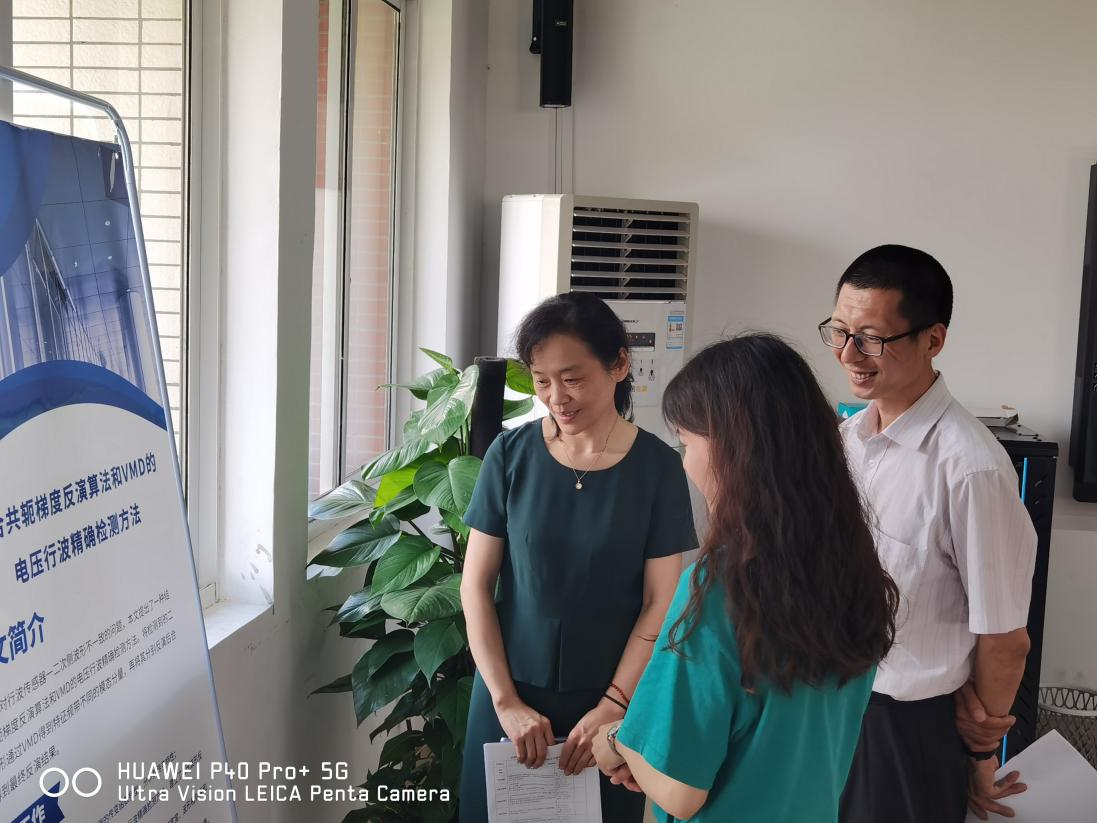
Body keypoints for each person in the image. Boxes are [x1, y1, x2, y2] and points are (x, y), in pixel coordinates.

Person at [592, 334, 900, 822]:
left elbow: (679, 789)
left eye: (686, 443)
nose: (685, 461)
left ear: (730, 448)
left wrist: (615, 742)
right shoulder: (852, 570)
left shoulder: (719, 588)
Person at [458, 292, 698, 822]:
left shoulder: (658, 469)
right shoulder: (510, 455)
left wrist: (614, 705)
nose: (557, 398)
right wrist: (506, 703)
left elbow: (660, 602)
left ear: (619, 364)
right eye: (542, 380)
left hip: (609, 707)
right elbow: (475, 585)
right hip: (508, 695)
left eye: (572, 378)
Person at [823, 245, 1037, 822]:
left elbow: (1005, 638)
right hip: (831, 709)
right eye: (839, 332)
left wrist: (981, 751)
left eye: (872, 338)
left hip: (906, 730)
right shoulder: (847, 441)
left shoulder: (969, 469)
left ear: (933, 340)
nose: (849, 354)